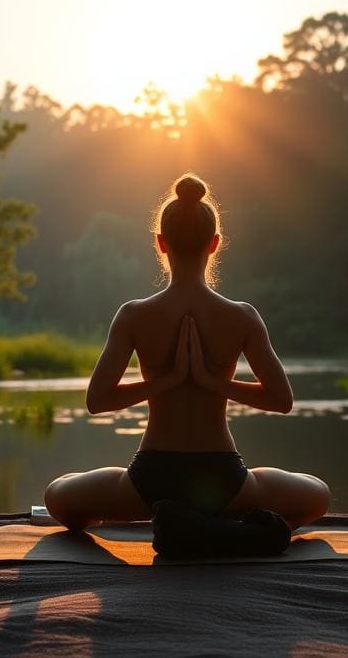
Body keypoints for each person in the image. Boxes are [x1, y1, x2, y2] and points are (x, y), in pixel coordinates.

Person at [44, 173, 330, 543]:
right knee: (316, 495)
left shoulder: (133, 314)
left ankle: (177, 520)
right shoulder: (242, 316)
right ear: (215, 244)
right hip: (225, 480)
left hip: (151, 481)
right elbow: (281, 400)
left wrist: (167, 380)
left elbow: (98, 401)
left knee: (58, 494)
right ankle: (226, 527)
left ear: (160, 244)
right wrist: (213, 382)